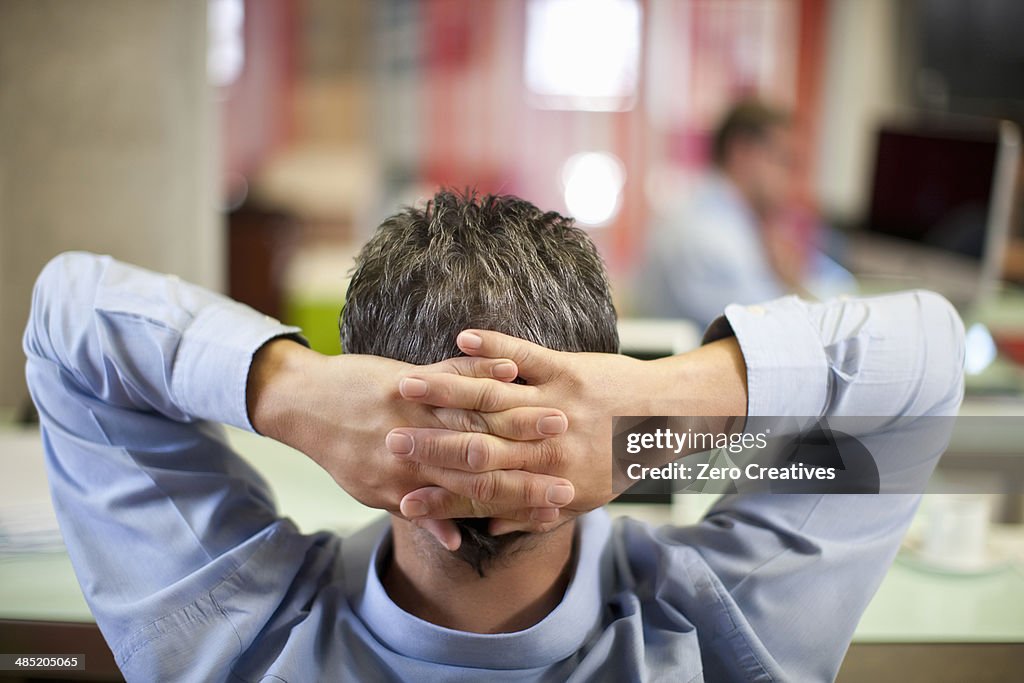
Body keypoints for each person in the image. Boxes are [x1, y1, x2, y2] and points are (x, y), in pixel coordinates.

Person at [24, 191, 964, 681]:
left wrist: (286, 388)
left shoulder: (230, 629)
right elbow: (917, 375)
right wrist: (657, 418)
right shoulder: (730, 629)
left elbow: (70, 325)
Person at [637, 100, 851, 328]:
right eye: (784, 161)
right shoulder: (709, 235)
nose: (792, 181)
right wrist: (791, 282)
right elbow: (775, 331)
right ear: (742, 152)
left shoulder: (723, 219)